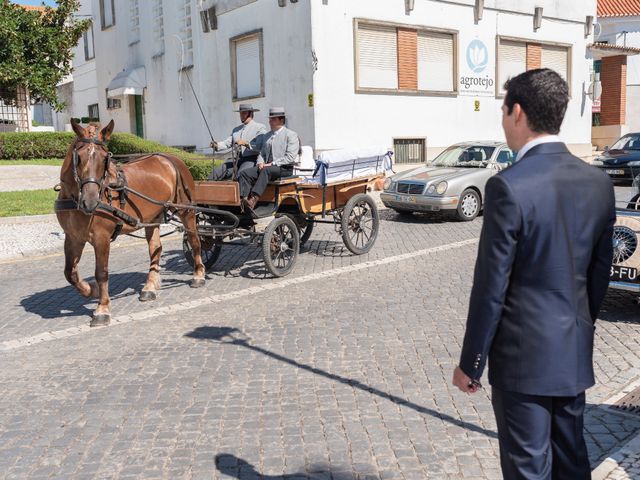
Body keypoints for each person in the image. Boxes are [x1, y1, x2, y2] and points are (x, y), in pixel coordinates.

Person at [452, 68, 615, 479]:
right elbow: (599, 275)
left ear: (518, 112)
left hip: (523, 362)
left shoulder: (508, 186)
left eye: (503, 110)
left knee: (528, 469)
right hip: (572, 353)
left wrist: (472, 362)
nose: (503, 121)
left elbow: (491, 287)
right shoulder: (598, 182)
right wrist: (577, 327)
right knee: (571, 464)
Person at [238, 107, 300, 210]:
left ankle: (254, 199)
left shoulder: (291, 135)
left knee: (266, 170)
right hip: (266, 168)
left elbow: (290, 157)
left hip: (284, 168)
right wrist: (260, 162)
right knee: (245, 173)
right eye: (270, 119)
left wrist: (271, 164)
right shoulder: (267, 136)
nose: (270, 121)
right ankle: (243, 200)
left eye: (273, 119)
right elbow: (262, 153)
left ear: (281, 120)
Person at [209, 104, 267, 181]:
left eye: (244, 113)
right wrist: (217, 145)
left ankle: (240, 193)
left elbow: (259, 145)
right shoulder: (236, 130)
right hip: (237, 159)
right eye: (240, 113)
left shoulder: (260, 127)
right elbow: (228, 143)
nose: (241, 115)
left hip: (251, 159)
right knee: (217, 171)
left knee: (241, 175)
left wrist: (245, 143)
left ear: (251, 114)